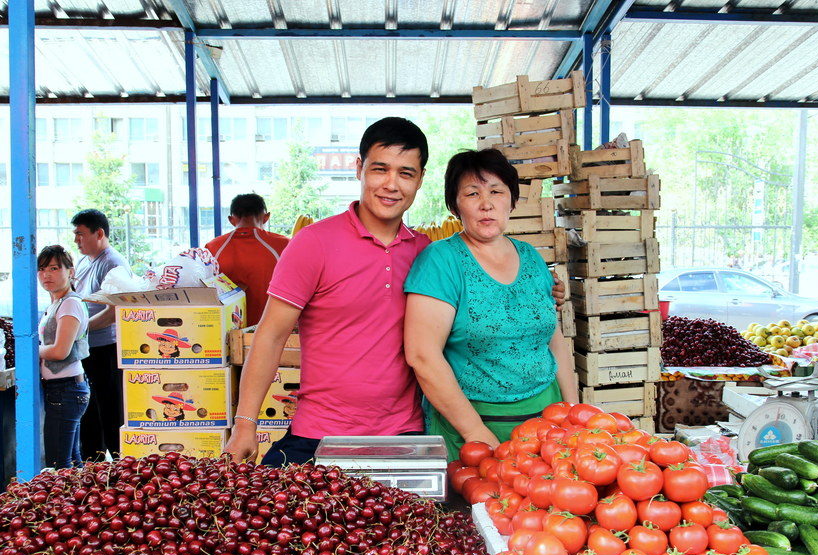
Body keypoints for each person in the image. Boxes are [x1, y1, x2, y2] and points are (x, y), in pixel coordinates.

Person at [224, 117, 565, 466]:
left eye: (405, 173)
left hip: (407, 432)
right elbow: (270, 335)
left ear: (420, 180)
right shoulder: (313, 244)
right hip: (321, 433)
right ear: (359, 169)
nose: (391, 184)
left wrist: (541, 293)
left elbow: (474, 313)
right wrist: (245, 424)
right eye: (380, 169)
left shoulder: (425, 253)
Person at [403, 149, 579, 460]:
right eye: (472, 193)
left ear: (512, 201)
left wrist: (575, 414)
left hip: (547, 424)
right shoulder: (441, 262)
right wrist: (476, 433)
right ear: (455, 205)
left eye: (496, 191)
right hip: (472, 425)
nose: (486, 204)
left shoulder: (531, 258)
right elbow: (422, 355)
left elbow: (554, 341)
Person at [72, 209, 130, 460]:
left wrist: (80, 328)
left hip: (106, 348)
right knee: (89, 411)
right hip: (85, 348)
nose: (76, 240)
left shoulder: (113, 263)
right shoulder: (84, 261)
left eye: (80, 234)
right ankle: (91, 465)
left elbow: (114, 311)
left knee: (110, 409)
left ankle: (119, 464)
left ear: (99, 233)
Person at [37, 245, 91, 469]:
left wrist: (31, 351)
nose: (46, 275)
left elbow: (60, 351)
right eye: (41, 269)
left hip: (65, 390)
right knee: (71, 462)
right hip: (65, 389)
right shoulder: (58, 303)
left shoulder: (69, 303)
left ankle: (66, 504)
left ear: (70, 272)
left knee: (59, 464)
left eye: (54, 268)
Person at [204, 194, 290, 327]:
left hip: (227, 329)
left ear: (231, 220)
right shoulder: (284, 245)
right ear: (266, 217)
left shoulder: (213, 247)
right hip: (271, 329)